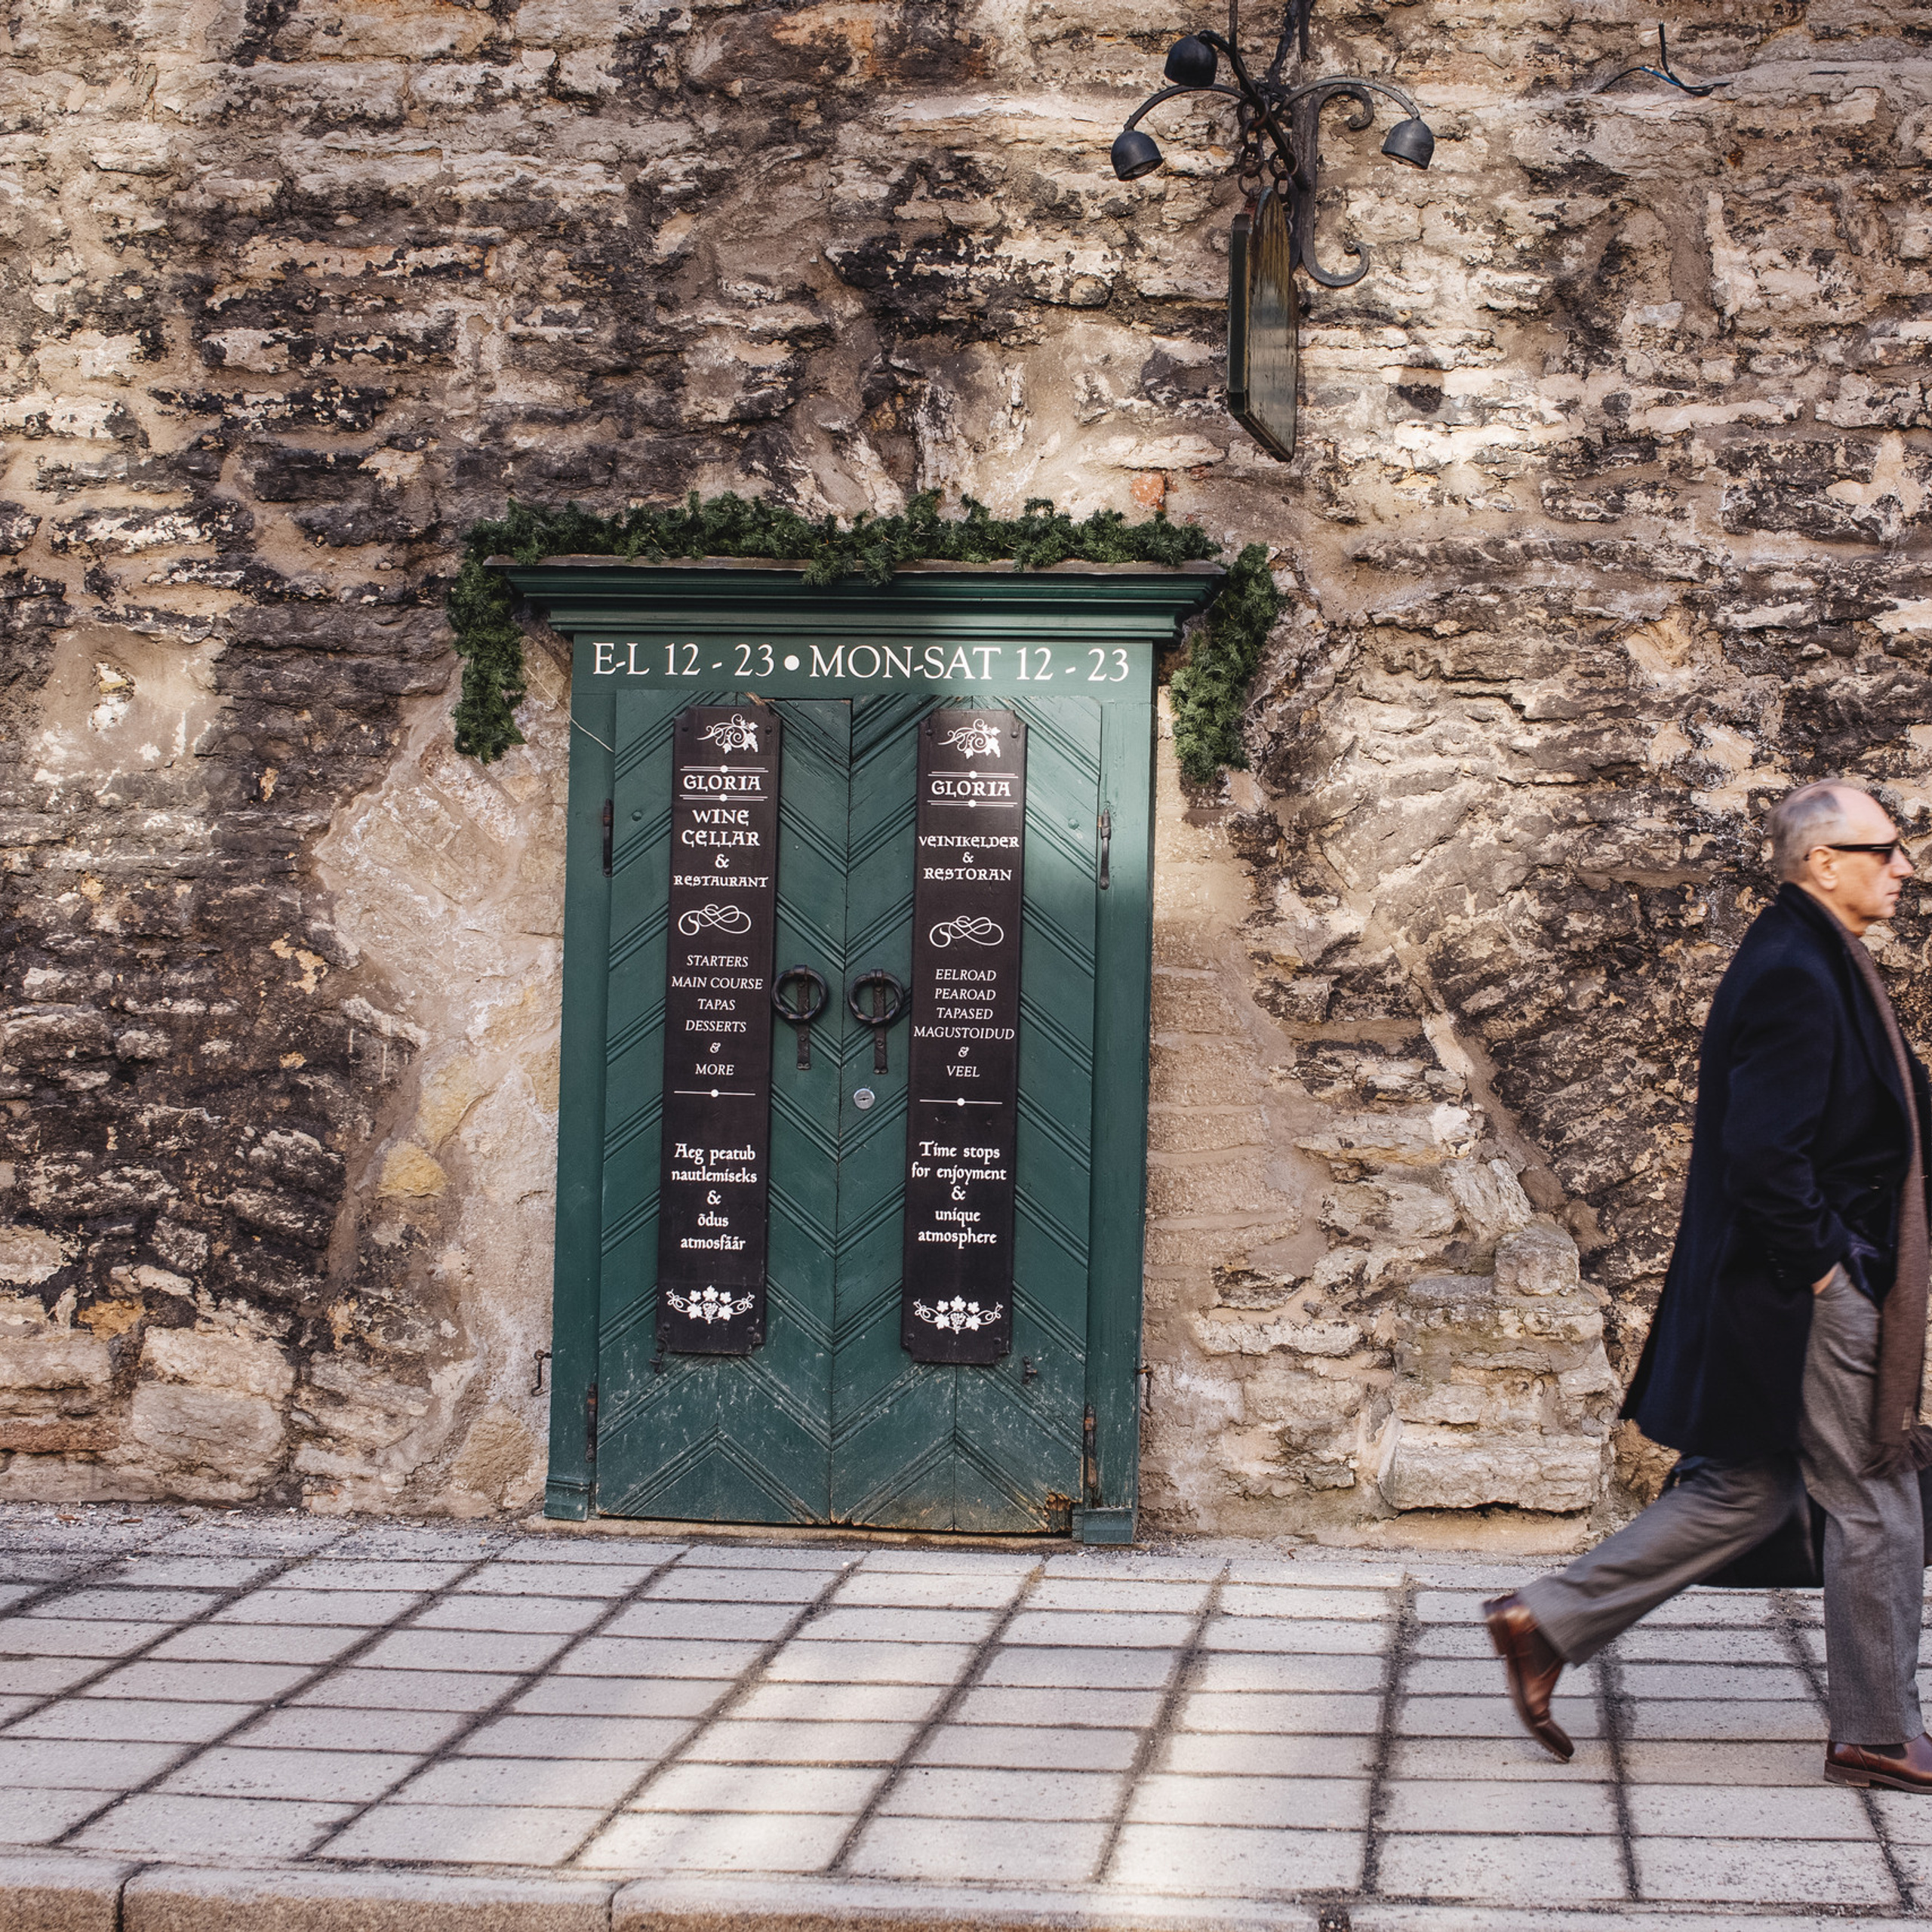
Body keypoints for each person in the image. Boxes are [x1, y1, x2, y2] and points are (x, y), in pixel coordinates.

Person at [1484, 780, 1932, 1791]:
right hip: (1801, 1294)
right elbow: (1764, 1154)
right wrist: (1833, 1274)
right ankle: (1875, 1730)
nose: (1905, 867)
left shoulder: (1818, 954)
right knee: (1875, 1496)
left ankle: (1541, 1622)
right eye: (1887, 849)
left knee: (1749, 1489)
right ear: (1823, 862)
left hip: (1785, 1292)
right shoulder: (1796, 971)